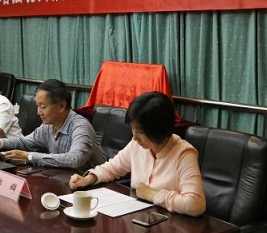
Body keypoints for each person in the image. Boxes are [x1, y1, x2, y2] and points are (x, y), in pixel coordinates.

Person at [69, 91, 206, 217]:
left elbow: (195, 204)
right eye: (133, 130)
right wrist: (88, 179)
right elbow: (113, 168)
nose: (134, 137)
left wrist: (153, 195)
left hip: (171, 224)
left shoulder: (184, 154)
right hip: (138, 218)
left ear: (159, 130)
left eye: (140, 132)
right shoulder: (138, 145)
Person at [0, 79, 105, 170]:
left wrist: (30, 156)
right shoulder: (48, 126)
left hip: (92, 187)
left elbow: (74, 159)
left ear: (62, 106)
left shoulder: (80, 126)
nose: (38, 112)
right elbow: (26, 142)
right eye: (37, 106)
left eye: (43, 107)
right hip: (62, 178)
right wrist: (0, 142)